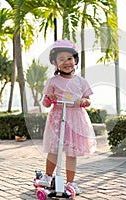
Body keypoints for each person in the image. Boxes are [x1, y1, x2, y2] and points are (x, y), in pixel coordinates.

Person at [38, 39, 96, 194]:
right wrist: (48, 99)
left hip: (75, 119)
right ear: (55, 63)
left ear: (75, 60)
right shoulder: (53, 81)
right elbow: (46, 102)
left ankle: (71, 182)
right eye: (61, 59)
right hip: (58, 118)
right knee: (54, 149)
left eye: (69, 58)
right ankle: (48, 176)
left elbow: (88, 100)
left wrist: (83, 101)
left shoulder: (81, 82)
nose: (66, 62)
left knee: (72, 152)